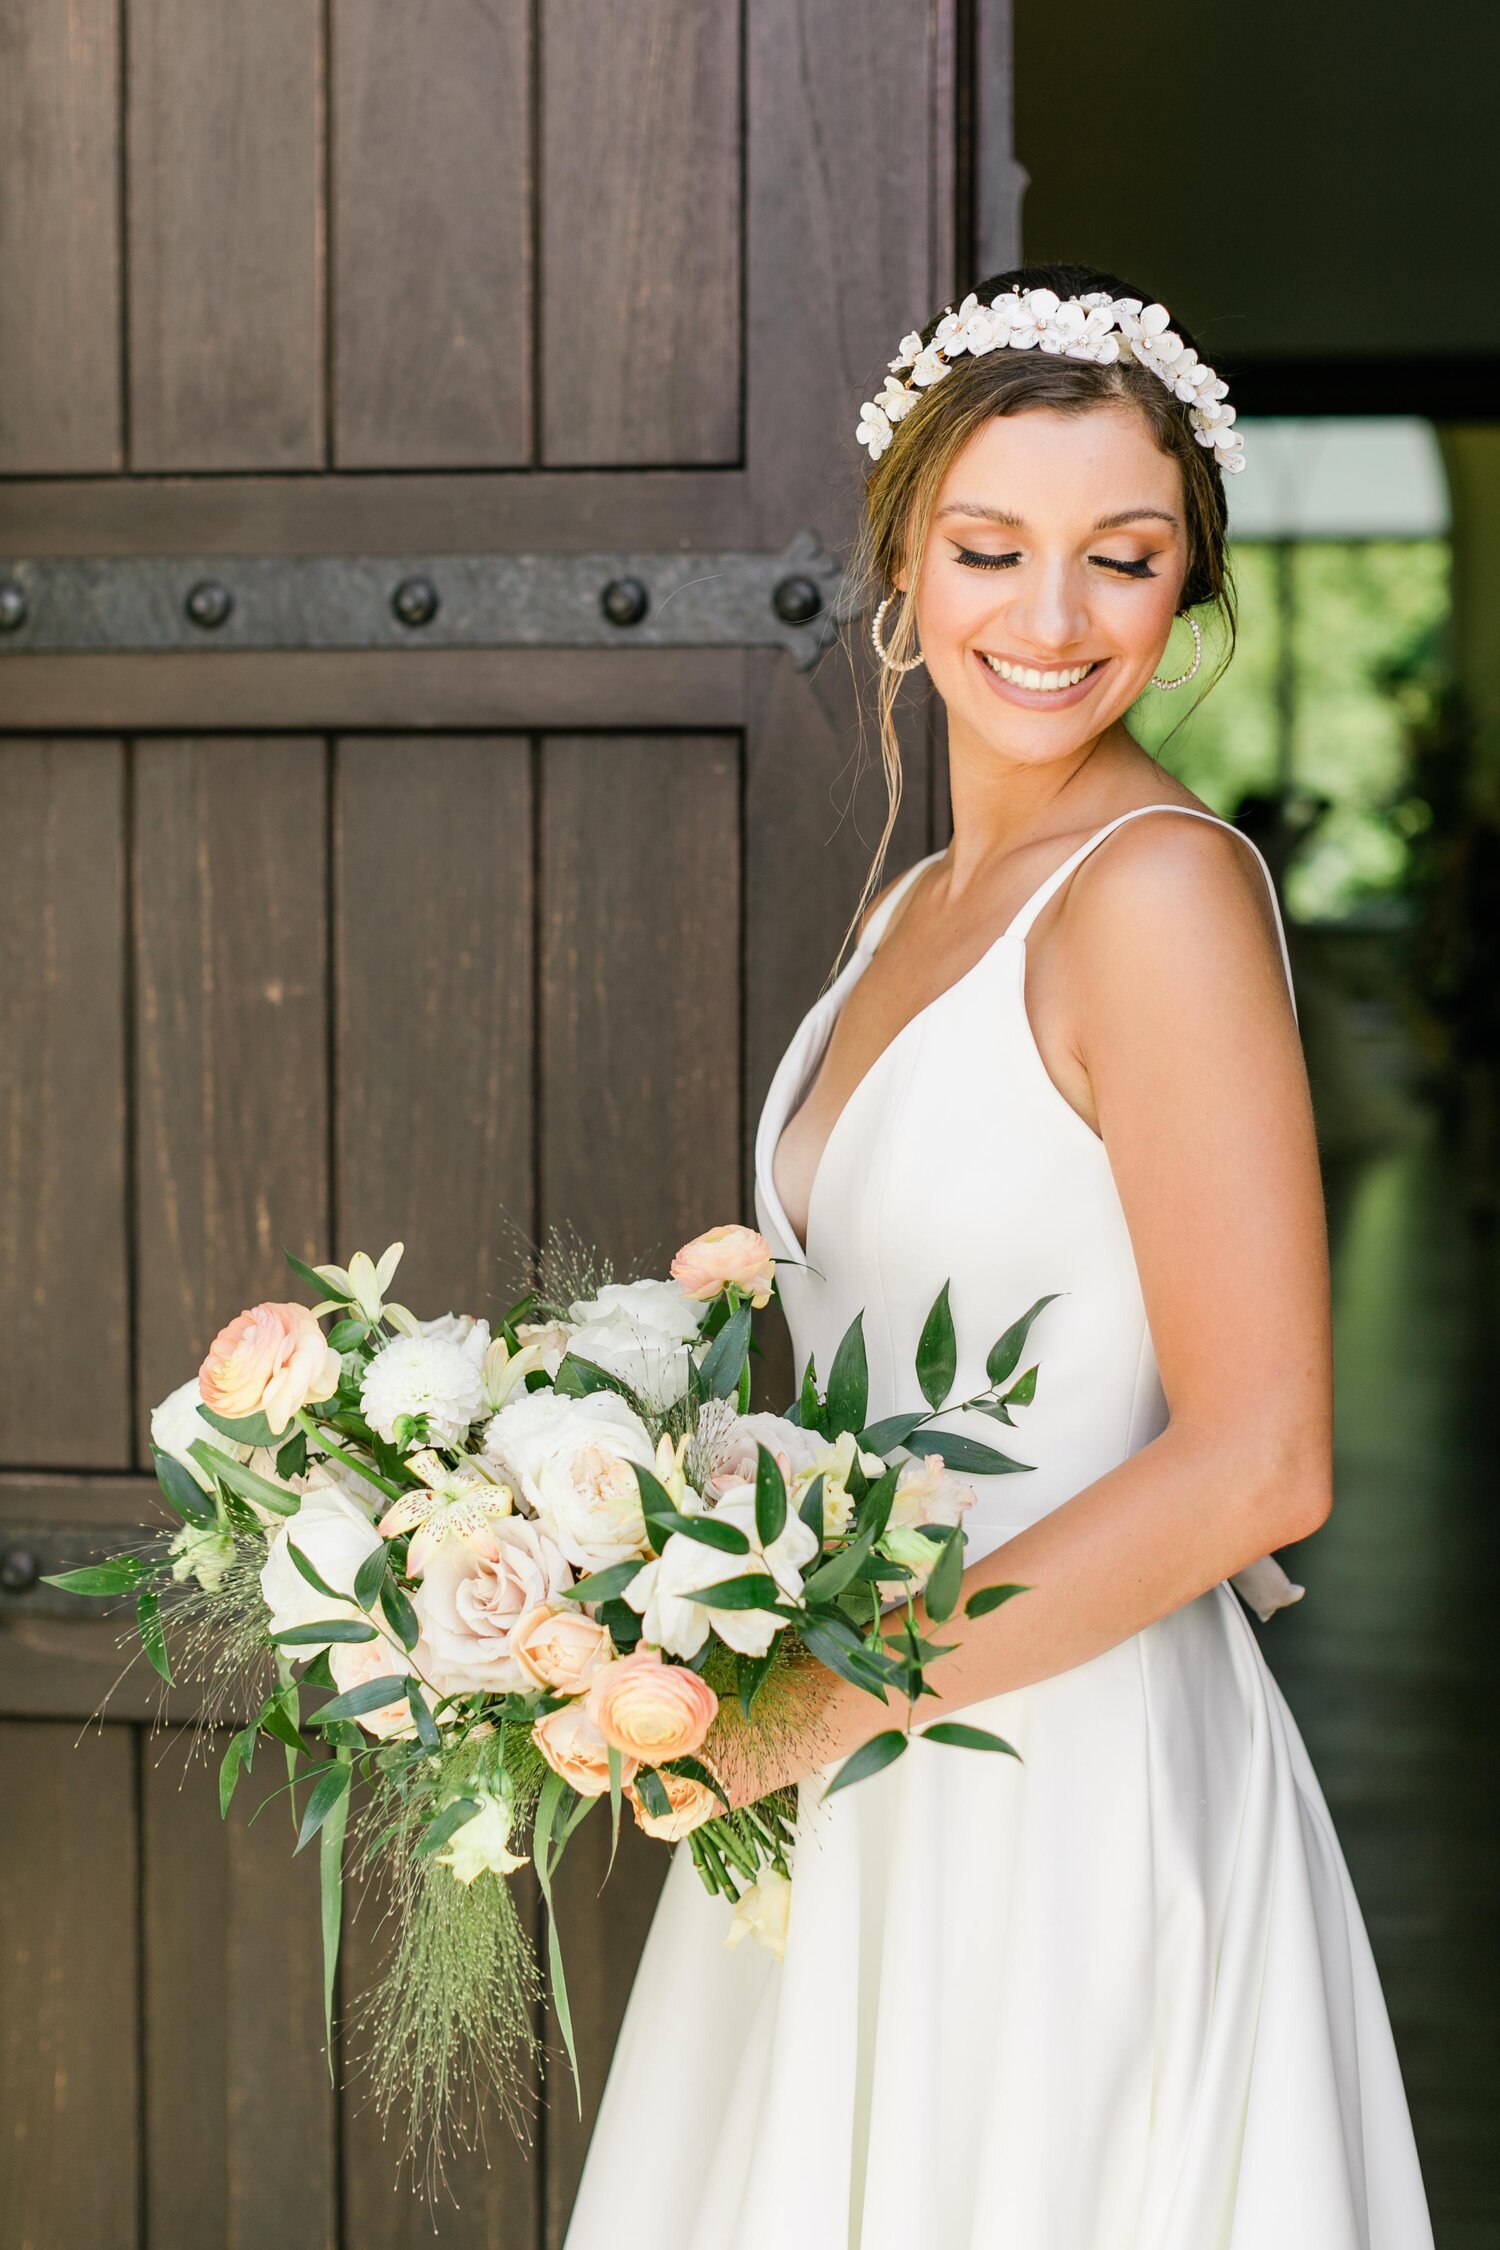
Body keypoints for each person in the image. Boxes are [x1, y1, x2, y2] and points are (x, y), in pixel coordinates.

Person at [560, 266, 1435, 2248]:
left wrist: (797, 1708)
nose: (1048, 622)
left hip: (1052, 1789)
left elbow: (1260, 1460)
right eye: (990, 550)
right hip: (872, 1776)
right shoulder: (934, 894)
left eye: (1119, 561)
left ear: (1189, 589)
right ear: (902, 559)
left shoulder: (1159, 899)